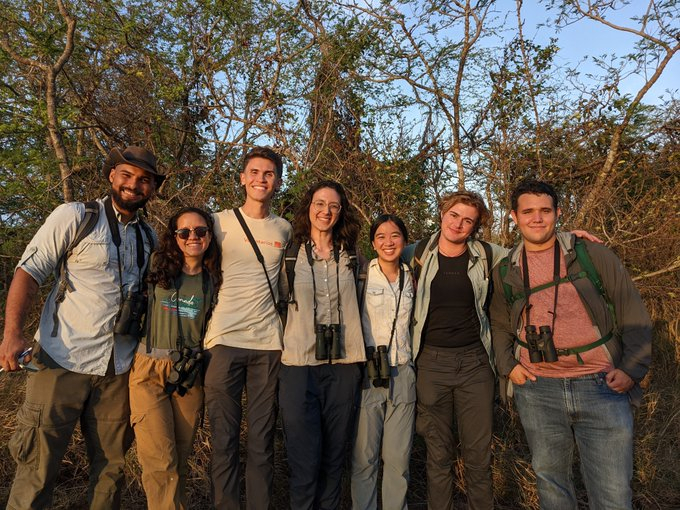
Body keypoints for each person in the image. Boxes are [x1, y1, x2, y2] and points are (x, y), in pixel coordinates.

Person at [0, 145, 163, 510]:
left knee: (111, 472)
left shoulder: (149, 237)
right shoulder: (76, 216)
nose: (133, 185)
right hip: (60, 361)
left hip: (117, 368)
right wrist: (12, 335)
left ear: (152, 188)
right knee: (37, 467)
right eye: (126, 175)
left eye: (144, 180)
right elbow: (29, 272)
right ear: (111, 175)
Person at [490, 179, 652, 510]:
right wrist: (509, 367)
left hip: (601, 384)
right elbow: (500, 324)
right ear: (514, 217)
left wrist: (631, 370)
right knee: (551, 484)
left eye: (545, 210)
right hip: (537, 389)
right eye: (528, 212)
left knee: (612, 491)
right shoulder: (506, 268)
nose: (537, 218)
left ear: (558, 213)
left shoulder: (591, 254)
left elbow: (632, 312)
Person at [203, 146, 293, 509]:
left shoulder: (284, 229)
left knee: (261, 441)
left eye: (269, 173)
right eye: (254, 172)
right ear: (242, 178)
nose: (261, 179)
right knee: (223, 440)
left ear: (278, 182)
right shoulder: (217, 222)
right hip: (223, 340)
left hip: (268, 345)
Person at [402, 190, 505, 510]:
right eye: (454, 215)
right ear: (442, 213)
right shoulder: (415, 253)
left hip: (475, 365)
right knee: (438, 455)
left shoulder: (487, 254)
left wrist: (570, 238)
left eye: (468, 221)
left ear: (475, 227)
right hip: (431, 364)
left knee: (478, 456)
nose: (458, 224)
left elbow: (529, 251)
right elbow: (379, 261)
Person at [278, 180, 365, 510]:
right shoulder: (290, 255)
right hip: (299, 365)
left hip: (345, 365)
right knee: (304, 462)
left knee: (333, 460)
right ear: (308, 207)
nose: (325, 211)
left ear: (341, 212)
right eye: (319, 203)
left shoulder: (354, 257)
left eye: (333, 206)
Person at [129, 207, 221, 510]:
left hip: (188, 374)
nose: (193, 237)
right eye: (184, 232)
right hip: (149, 370)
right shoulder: (157, 266)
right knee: (160, 460)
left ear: (210, 236)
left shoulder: (214, 278)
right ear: (175, 236)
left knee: (179, 460)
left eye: (200, 231)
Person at [351, 214, 416, 510]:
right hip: (369, 373)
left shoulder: (413, 275)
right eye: (381, 236)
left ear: (405, 240)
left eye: (395, 235)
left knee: (398, 458)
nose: (388, 242)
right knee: (364, 458)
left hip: (403, 372)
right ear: (373, 243)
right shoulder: (362, 275)